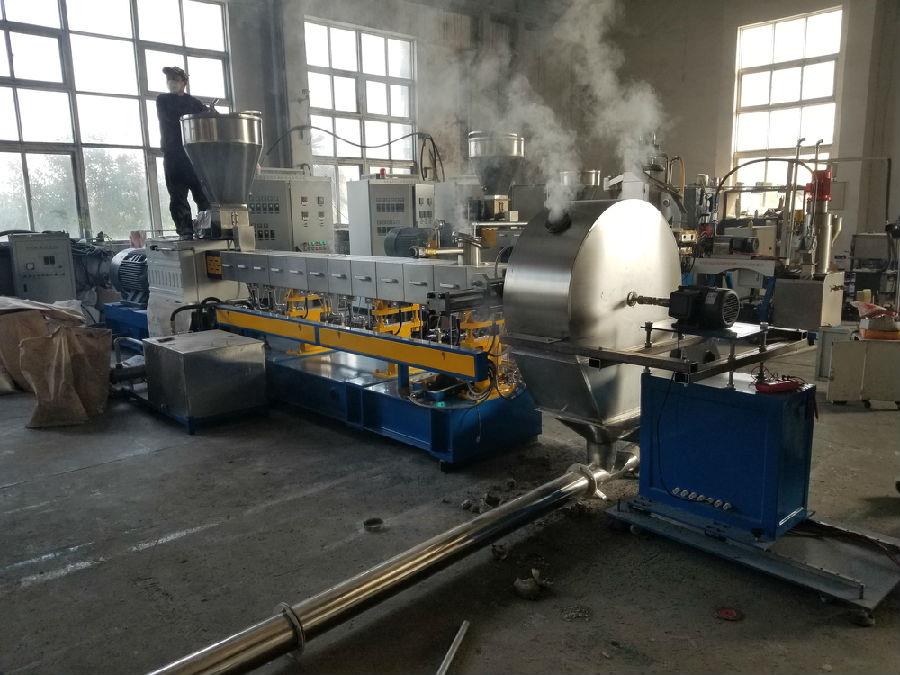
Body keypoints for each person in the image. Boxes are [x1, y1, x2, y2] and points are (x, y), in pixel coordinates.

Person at [156, 66, 212, 239]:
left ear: (184, 82)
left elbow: (210, 117)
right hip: (173, 155)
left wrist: (209, 112)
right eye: (169, 79)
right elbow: (174, 116)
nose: (171, 82)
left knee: (203, 196)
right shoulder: (163, 100)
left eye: (174, 79)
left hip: (193, 157)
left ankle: (208, 229)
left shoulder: (194, 103)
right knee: (178, 196)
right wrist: (199, 113)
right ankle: (185, 230)